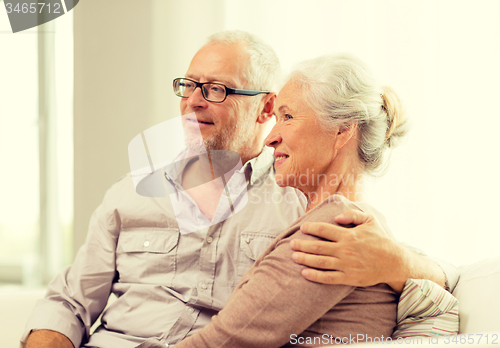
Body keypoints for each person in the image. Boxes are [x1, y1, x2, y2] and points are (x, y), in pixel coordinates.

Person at [22, 31, 454, 348]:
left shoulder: (305, 200)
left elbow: (417, 270)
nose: (193, 101)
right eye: (188, 85)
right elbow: (68, 303)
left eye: (216, 90)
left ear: (266, 106)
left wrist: (398, 261)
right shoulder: (130, 194)